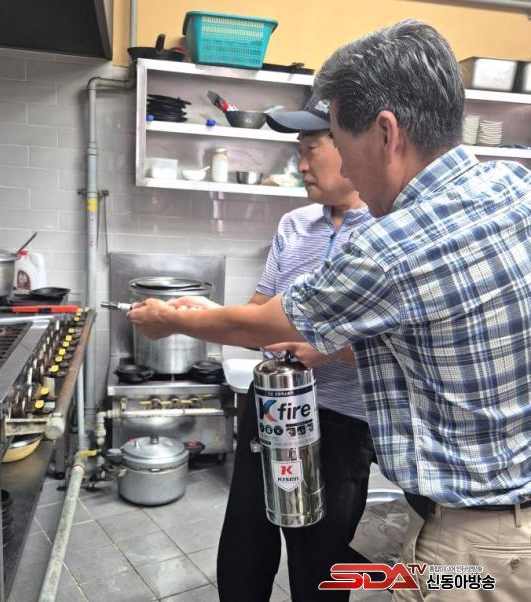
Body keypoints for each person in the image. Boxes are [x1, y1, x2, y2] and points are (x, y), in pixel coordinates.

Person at [129, 20, 531, 602]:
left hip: (477, 544)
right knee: (251, 538)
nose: (334, 162)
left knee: (327, 565)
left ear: (386, 133)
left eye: (338, 144)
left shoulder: (392, 243)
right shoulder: (514, 186)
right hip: (498, 527)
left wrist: (172, 319)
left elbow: (265, 322)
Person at [180, 96, 375, 602]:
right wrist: (206, 313)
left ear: (353, 146)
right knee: (246, 542)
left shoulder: (388, 231)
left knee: (321, 560)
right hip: (269, 409)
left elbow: (402, 345)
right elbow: (259, 311)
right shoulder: (294, 225)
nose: (302, 165)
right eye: (298, 152)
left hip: (341, 422)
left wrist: (326, 351)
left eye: (312, 150)